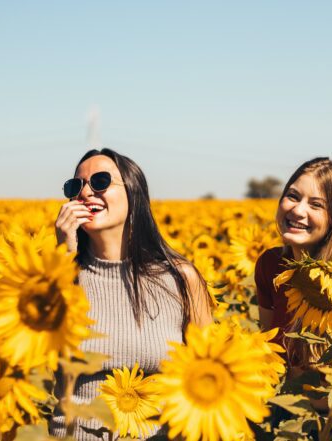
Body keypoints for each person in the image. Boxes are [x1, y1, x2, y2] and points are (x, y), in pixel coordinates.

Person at [50, 148, 213, 440]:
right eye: (76, 187)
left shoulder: (179, 279)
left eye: (100, 181)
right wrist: (63, 261)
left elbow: (208, 374)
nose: (86, 193)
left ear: (133, 192)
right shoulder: (56, 277)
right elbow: (38, 363)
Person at [254, 157, 332, 349]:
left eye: (316, 204)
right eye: (293, 196)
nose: (298, 210)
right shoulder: (270, 265)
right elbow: (266, 344)